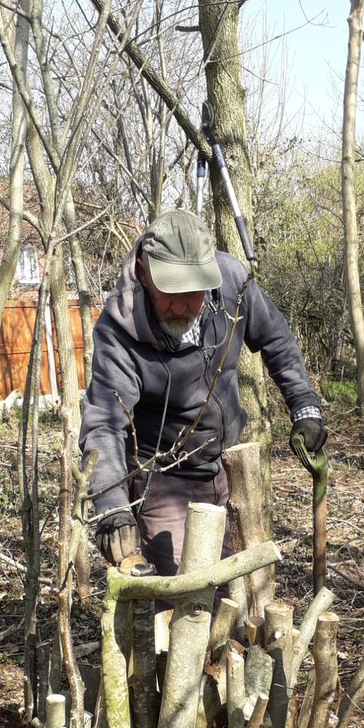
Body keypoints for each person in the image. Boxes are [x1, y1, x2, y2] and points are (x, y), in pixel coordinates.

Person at [79, 208, 327, 576]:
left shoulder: (231, 282)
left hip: (229, 467)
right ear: (145, 273)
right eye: (170, 292)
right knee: (186, 589)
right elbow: (105, 422)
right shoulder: (119, 330)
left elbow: (276, 338)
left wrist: (304, 406)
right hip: (164, 477)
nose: (181, 306)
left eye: (193, 293)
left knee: (240, 582)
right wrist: (112, 506)